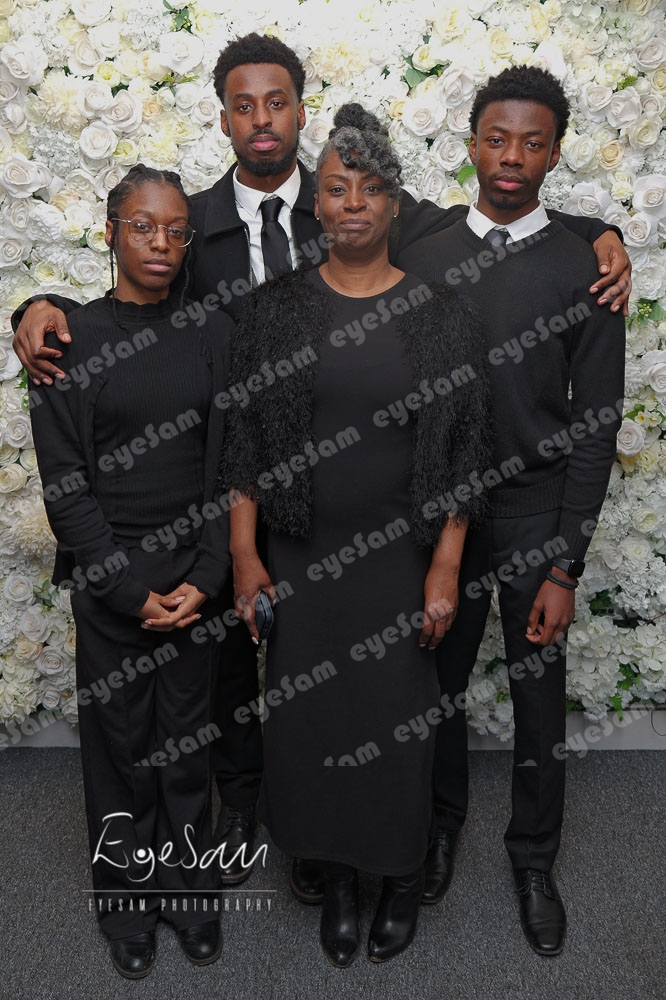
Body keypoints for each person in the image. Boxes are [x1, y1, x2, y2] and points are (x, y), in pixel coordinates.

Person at [11, 33, 632, 904]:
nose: (263, 120)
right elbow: (136, 294)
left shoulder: (372, 208)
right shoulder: (191, 223)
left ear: (304, 117)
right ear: (223, 117)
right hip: (262, 497)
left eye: (278, 103)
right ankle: (257, 816)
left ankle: (473, 852)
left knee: (423, 688)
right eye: (244, 104)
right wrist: (39, 306)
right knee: (260, 679)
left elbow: (506, 212)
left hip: (444, 506)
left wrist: (603, 233)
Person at [220, 103, 493, 966]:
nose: (352, 204)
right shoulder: (277, 310)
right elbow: (246, 444)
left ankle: (399, 876)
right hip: (301, 560)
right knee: (310, 724)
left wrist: (445, 566)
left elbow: (463, 451)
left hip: (400, 562)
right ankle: (337, 878)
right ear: (319, 203)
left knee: (397, 724)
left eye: (371, 189)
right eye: (337, 188)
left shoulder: (440, 312)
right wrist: (244, 554)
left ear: (394, 204)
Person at [397, 66, 626, 957]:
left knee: (538, 699)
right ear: (471, 144)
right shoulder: (425, 253)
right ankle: (438, 829)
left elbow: (597, 424)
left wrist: (566, 563)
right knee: (436, 687)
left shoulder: (584, 267)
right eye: (497, 139)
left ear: (555, 154)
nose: (512, 157)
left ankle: (534, 859)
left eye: (533, 143)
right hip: (442, 516)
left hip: (537, 514)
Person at [27, 165, 233, 978]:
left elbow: (228, 466)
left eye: (177, 229)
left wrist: (208, 572)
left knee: (186, 750)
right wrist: (123, 588)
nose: (161, 243)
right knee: (119, 753)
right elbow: (65, 483)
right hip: (111, 581)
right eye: (143, 226)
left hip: (194, 579)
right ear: (110, 231)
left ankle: (190, 895)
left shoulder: (214, 333)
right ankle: (126, 904)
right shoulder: (68, 339)